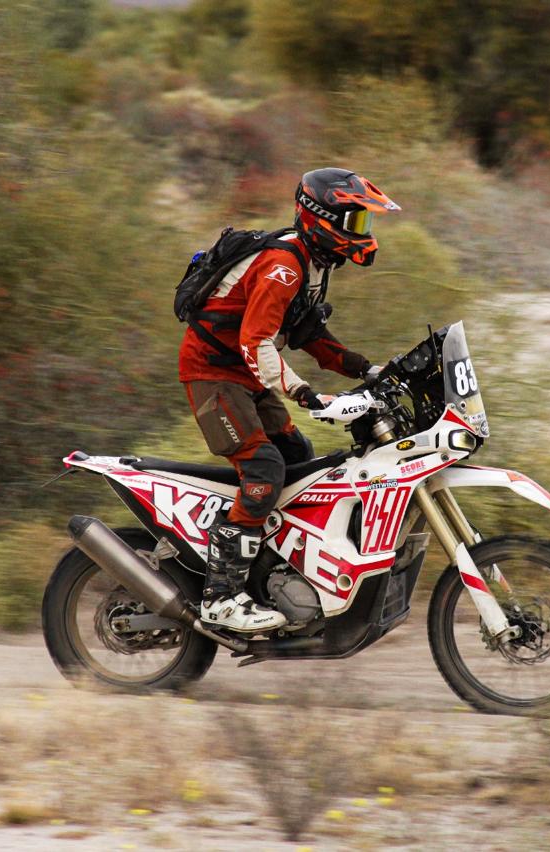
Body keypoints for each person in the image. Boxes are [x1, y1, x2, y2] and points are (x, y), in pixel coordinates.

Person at [177, 168, 400, 632]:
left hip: (246, 376)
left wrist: (369, 370)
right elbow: (256, 342)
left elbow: (308, 335)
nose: (363, 233)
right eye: (355, 222)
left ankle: (271, 572)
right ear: (322, 218)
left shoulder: (312, 263)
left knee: (298, 458)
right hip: (213, 375)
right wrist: (304, 392)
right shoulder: (284, 265)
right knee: (263, 471)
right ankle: (221, 596)